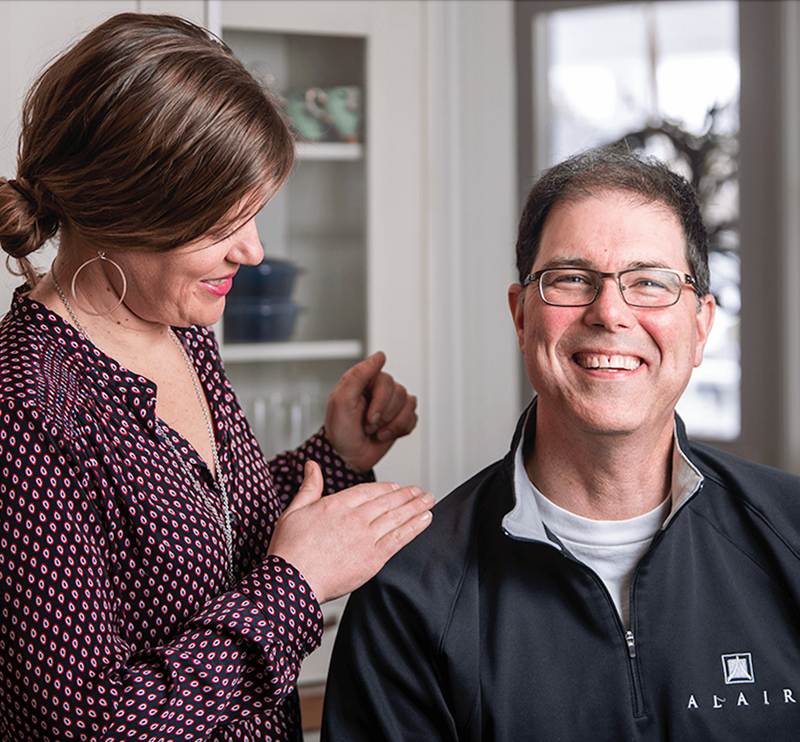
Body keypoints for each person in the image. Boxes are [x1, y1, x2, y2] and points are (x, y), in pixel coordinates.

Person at [0, 13, 434, 742]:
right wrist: (295, 587)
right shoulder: (26, 412)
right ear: (122, 208)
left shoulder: (177, 329)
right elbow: (86, 726)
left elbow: (203, 532)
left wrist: (336, 456)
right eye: (218, 224)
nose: (255, 252)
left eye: (256, 214)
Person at [322, 145, 800, 741]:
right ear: (522, 319)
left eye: (649, 282)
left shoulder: (792, 534)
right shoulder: (408, 592)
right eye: (572, 279)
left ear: (700, 326)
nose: (610, 312)